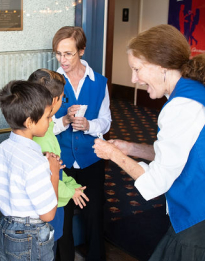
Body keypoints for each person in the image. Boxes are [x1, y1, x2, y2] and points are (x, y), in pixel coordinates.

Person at [93, 24, 205, 261]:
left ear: (161, 66)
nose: (134, 79)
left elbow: (156, 182)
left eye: (137, 69)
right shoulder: (193, 92)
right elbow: (180, 154)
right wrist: (131, 148)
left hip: (197, 218)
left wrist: (114, 155)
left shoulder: (180, 108)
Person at [52, 26, 111, 261]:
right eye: (58, 53)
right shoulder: (51, 82)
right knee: (62, 223)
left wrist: (90, 126)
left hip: (91, 159)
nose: (62, 59)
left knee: (95, 217)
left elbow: (105, 122)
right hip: (61, 162)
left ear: (82, 51)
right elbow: (43, 125)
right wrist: (64, 120)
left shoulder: (99, 82)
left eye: (68, 54)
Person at [28, 69, 89, 257]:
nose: (63, 101)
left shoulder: (40, 130)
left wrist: (71, 183)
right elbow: (48, 183)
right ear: (54, 101)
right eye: (62, 97)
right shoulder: (44, 138)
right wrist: (72, 192)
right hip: (46, 216)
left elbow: (58, 170)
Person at [0, 80, 62, 260]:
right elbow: (49, 214)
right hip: (30, 236)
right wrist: (54, 172)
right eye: (47, 117)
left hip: (6, 227)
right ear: (29, 122)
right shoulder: (36, 163)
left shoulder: (3, 148)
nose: (50, 121)